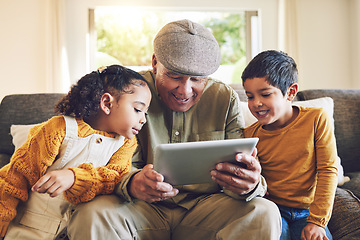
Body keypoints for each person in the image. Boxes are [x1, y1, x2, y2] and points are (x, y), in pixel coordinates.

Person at [65, 19, 281, 240]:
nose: (185, 90)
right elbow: (100, 157)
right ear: (155, 63)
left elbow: (240, 168)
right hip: (139, 208)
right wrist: (131, 183)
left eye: (197, 79)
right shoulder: (128, 94)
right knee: (90, 214)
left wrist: (250, 184)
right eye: (175, 76)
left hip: (206, 209)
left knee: (265, 212)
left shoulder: (224, 98)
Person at [0, 64, 151, 240]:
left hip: (77, 232)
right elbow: (15, 177)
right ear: (107, 103)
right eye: (138, 110)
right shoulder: (58, 129)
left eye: (146, 113)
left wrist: (74, 178)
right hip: (28, 229)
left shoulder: (126, 144)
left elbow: (113, 179)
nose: (143, 120)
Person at [242, 50, 338, 240]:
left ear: (291, 92)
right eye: (250, 96)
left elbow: (328, 170)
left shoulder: (317, 119)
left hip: (308, 212)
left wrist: (317, 222)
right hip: (272, 211)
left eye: (265, 94)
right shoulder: (249, 135)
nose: (256, 103)